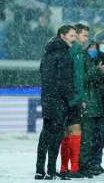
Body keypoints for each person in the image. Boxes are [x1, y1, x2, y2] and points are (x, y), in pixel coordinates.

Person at [35, 25, 77, 180]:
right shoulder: (64, 54)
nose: (74, 38)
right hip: (59, 100)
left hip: (47, 97)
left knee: (45, 134)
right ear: (63, 36)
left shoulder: (47, 52)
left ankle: (40, 170)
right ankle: (51, 171)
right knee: (57, 135)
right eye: (72, 35)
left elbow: (43, 74)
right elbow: (65, 81)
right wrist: (69, 98)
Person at [79, 30, 104, 177]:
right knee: (88, 137)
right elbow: (82, 79)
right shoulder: (87, 57)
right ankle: (84, 165)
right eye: (103, 43)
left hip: (102, 103)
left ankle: (96, 163)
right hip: (91, 102)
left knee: (100, 137)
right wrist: (97, 71)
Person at [59, 23, 89, 178]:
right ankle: (74, 168)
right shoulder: (77, 51)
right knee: (75, 131)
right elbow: (78, 77)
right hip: (73, 97)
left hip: (64, 97)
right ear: (76, 35)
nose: (86, 39)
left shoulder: (66, 50)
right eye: (84, 35)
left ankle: (64, 168)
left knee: (65, 133)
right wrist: (80, 97)